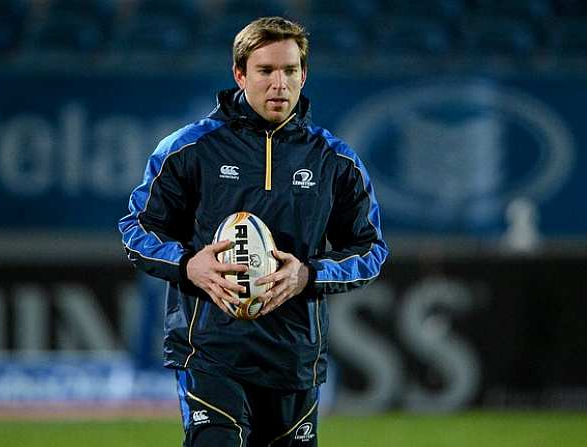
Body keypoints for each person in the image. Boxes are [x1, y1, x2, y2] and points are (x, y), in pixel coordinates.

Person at [118, 16, 387, 446]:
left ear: (304, 74)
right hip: (211, 351)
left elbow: (371, 250)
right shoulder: (188, 149)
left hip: (294, 356)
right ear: (240, 74)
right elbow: (136, 229)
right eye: (265, 71)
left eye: (290, 70)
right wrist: (189, 265)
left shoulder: (335, 161)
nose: (279, 83)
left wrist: (308, 274)